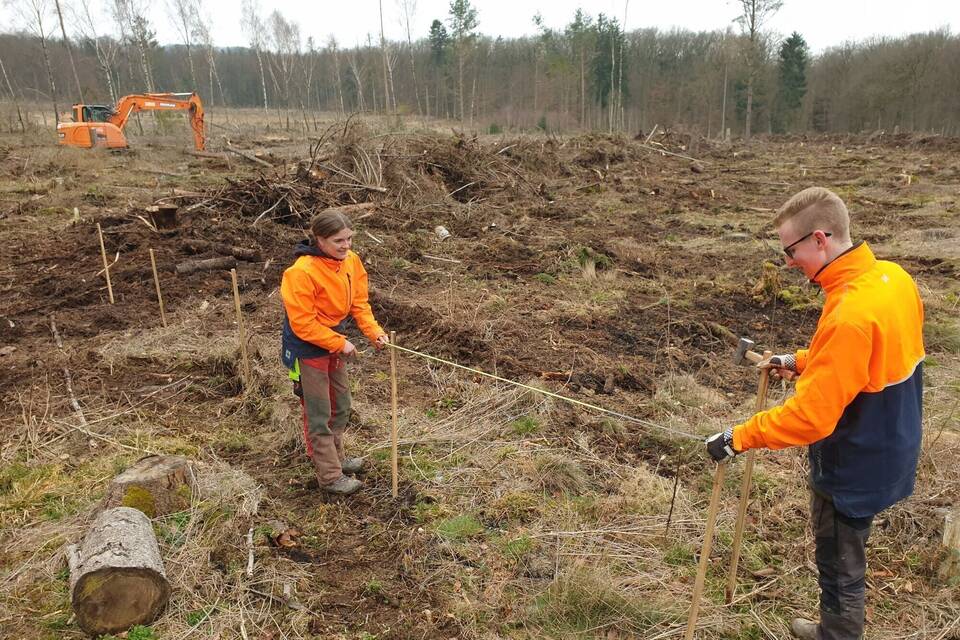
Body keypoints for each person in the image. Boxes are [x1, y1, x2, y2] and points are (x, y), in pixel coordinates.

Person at [705, 187, 925, 640]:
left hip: (854, 461)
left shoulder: (850, 313)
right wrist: (798, 361)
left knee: (840, 563)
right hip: (891, 441)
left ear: (820, 239)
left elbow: (811, 418)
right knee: (847, 556)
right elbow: (865, 357)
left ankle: (837, 634)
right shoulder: (890, 279)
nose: (788, 262)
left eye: (791, 250)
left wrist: (739, 436)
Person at [281, 209, 389, 495]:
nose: (346, 246)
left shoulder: (351, 262)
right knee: (318, 412)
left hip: (333, 340)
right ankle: (329, 476)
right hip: (307, 346)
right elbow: (303, 323)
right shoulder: (300, 272)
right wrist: (340, 343)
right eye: (338, 240)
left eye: (349, 239)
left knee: (340, 404)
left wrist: (374, 332)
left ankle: (337, 459)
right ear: (319, 239)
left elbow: (359, 304)